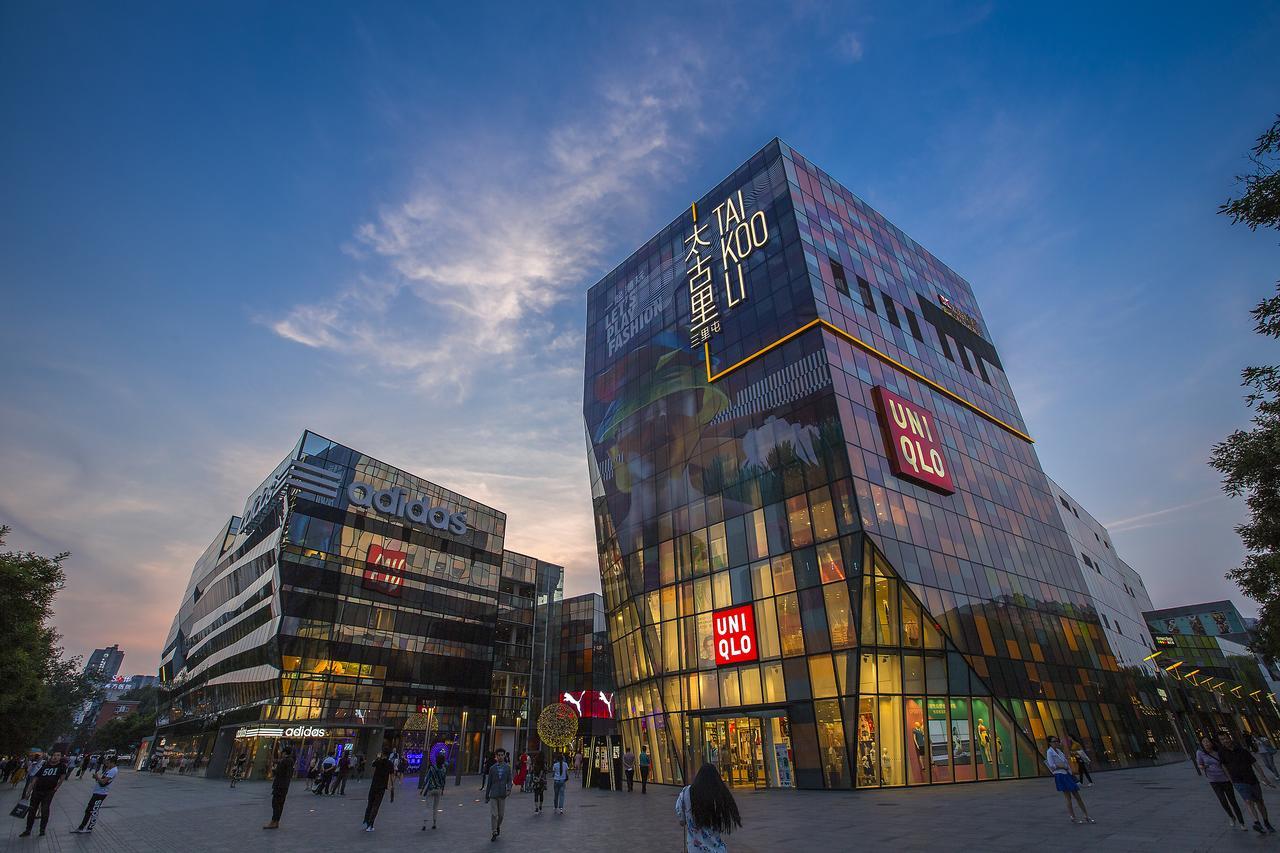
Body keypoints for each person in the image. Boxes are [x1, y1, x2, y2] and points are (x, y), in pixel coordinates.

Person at [1218, 731, 1277, 834]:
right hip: (1238, 781)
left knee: (1260, 802)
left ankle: (1266, 822)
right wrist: (1230, 779)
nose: (1225, 741)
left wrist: (1263, 777)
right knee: (1248, 801)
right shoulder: (1222, 752)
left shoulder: (1241, 750)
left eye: (1226, 738)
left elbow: (1254, 763)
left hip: (1251, 779)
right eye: (1222, 740)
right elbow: (1223, 766)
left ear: (1229, 737)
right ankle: (1257, 822)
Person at [676, 763, 742, 853]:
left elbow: (681, 819)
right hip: (716, 849)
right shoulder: (718, 794)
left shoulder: (686, 793)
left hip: (695, 849)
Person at [1197, 735, 1248, 831]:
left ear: (1212, 742)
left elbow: (1226, 764)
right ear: (1202, 744)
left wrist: (1232, 777)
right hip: (1213, 781)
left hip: (1225, 779)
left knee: (1233, 801)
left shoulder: (1219, 752)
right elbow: (1200, 764)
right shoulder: (1200, 753)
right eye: (1204, 742)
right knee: (1223, 800)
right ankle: (1231, 816)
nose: (1206, 744)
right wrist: (1203, 767)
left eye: (1208, 741)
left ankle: (1242, 822)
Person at [1045, 736, 1093, 825]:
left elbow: (1066, 762)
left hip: (1067, 774)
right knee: (1068, 797)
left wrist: (1070, 772)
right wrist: (1062, 766)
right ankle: (1073, 817)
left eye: (1057, 741)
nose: (1056, 742)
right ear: (1050, 743)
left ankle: (1086, 815)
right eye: (1054, 741)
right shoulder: (1049, 752)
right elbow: (1051, 765)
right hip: (1060, 775)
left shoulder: (1059, 751)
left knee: (1077, 795)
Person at [20, 749, 67, 837]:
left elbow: (62, 778)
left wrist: (56, 788)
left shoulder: (61, 766)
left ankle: (42, 829)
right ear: (51, 756)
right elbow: (35, 778)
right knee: (32, 810)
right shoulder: (44, 765)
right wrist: (28, 791)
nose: (55, 757)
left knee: (45, 810)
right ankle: (28, 829)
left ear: (60, 757)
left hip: (49, 791)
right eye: (54, 755)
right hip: (37, 790)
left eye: (58, 755)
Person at [70, 755, 117, 834]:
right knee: (89, 810)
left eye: (108, 762)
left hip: (101, 793)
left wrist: (97, 777)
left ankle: (88, 828)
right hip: (98, 792)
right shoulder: (110, 769)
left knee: (93, 810)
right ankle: (82, 827)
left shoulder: (113, 771)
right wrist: (97, 778)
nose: (106, 764)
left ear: (112, 762)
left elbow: (103, 782)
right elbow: (102, 781)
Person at [483, 748, 513, 841]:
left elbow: (509, 780)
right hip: (494, 794)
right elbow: (489, 783)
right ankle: (494, 831)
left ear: (504, 756)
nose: (500, 757)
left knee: (501, 815)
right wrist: (487, 795)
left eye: (501, 755)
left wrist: (508, 789)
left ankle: (497, 826)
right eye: (498, 755)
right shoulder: (492, 768)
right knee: (494, 814)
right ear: (496, 756)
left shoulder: (507, 767)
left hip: (502, 794)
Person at [263, 746, 295, 830]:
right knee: (280, 803)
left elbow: (279, 772)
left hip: (279, 785)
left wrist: (274, 769)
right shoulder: (291, 761)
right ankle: (276, 821)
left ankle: (273, 821)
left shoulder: (284, 761)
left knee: (276, 803)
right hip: (285, 785)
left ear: (284, 753)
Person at [363, 749, 394, 832]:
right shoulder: (390, 764)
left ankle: (366, 820)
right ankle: (370, 824)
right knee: (376, 805)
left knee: (370, 803)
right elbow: (391, 775)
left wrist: (378, 758)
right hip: (382, 787)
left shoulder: (378, 762)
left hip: (374, 785)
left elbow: (372, 764)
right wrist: (391, 786)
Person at [422, 752, 447, 830]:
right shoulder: (444, 769)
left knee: (427, 807)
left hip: (431, 788)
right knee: (435, 807)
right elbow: (443, 781)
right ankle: (434, 823)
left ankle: (424, 825)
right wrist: (442, 789)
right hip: (438, 789)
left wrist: (423, 788)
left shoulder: (432, 768)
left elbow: (427, 778)